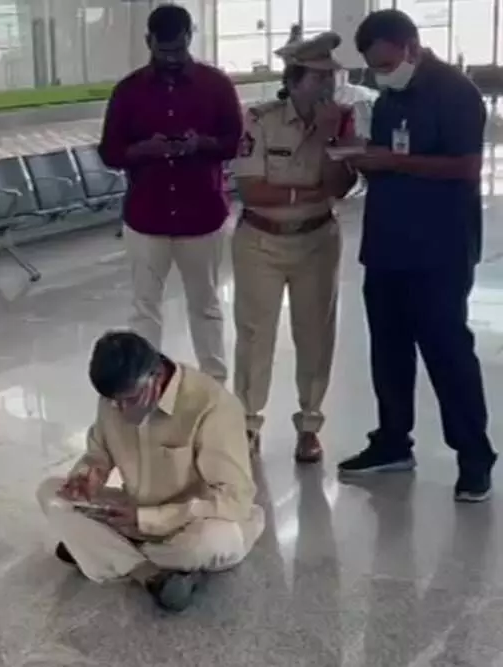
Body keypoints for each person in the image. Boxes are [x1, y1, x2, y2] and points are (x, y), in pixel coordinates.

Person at [338, 10, 496, 502]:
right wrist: (362, 157)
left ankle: (474, 458)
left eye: (386, 62)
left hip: (439, 250)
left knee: (448, 354)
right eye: (374, 68)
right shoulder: (391, 96)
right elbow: (390, 156)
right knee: (388, 351)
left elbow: (468, 166)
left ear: (411, 46)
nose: (382, 74)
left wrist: (394, 161)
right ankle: (392, 442)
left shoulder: (455, 92)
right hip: (387, 246)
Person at [35, 331, 264, 613]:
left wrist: (151, 520)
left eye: (128, 400)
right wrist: (87, 476)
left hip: (193, 521)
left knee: (209, 541)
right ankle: (151, 574)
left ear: (155, 379)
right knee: (50, 492)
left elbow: (235, 500)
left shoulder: (212, 406)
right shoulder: (116, 397)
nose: (118, 409)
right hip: (134, 514)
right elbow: (98, 453)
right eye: (112, 401)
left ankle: (105, 553)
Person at [229, 33, 358, 462]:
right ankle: (247, 423)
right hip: (260, 242)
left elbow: (340, 186)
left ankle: (310, 424)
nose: (328, 85)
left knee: (316, 335)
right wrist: (308, 192)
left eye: (332, 76)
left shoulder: (341, 121)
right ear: (296, 79)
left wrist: (324, 139)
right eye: (319, 77)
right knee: (254, 334)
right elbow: (252, 191)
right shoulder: (259, 120)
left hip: (318, 241)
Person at [98, 4, 243, 383]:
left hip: (203, 216)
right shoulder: (128, 91)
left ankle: (214, 384)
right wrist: (144, 150)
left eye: (178, 50)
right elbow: (109, 152)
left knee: (206, 305)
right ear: (149, 42)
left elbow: (235, 142)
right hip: (147, 218)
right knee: (145, 308)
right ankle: (144, 383)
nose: (172, 59)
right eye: (164, 52)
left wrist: (202, 144)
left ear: (189, 38)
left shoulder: (216, 85)